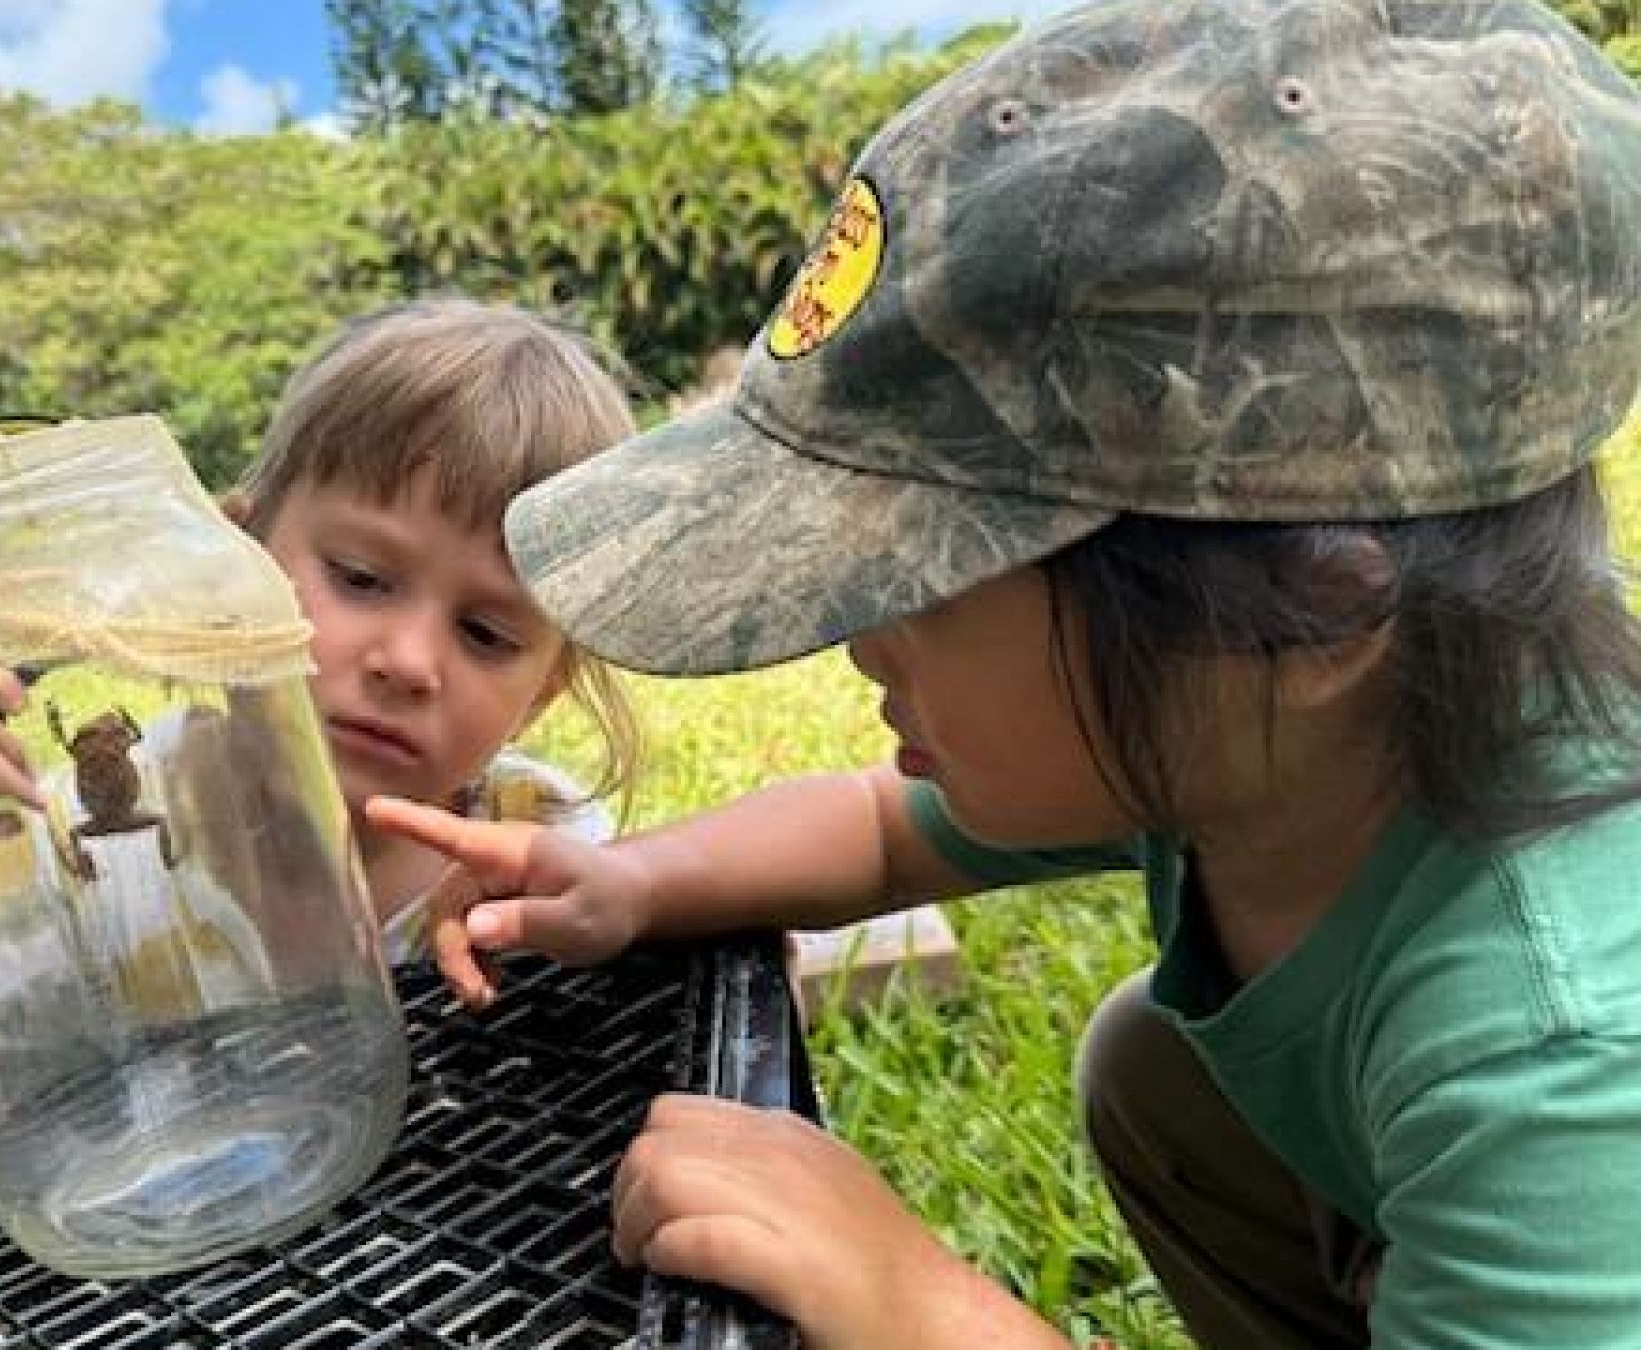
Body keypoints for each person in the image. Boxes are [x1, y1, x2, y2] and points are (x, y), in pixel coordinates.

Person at [365, 0, 1641, 1345]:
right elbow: (880, 829)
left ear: (1309, 608)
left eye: (913, 571)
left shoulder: (1560, 1048)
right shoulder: (1264, 728)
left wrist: (910, 1298)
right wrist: (630, 881)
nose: (860, 638)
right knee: (1153, 1060)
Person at [0, 298, 644, 1224]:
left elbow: (738, 1003)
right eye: (359, 578)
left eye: (485, 633)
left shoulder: (537, 853)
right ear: (233, 563)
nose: (407, 661)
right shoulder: (68, 848)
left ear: (546, 687)